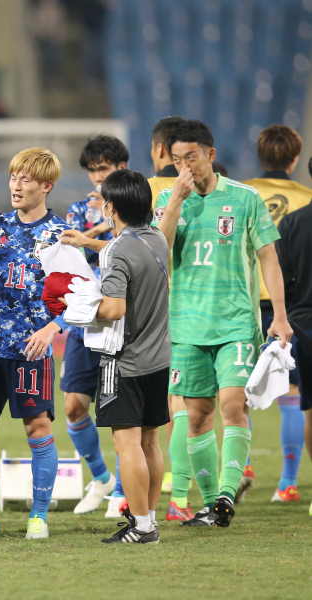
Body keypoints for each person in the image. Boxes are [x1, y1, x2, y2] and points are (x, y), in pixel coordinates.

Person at [155, 119, 292, 527]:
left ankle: (227, 494)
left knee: (233, 406)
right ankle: (213, 503)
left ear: (210, 155)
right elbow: (159, 253)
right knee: (196, 416)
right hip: (184, 326)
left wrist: (280, 317)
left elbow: (268, 257)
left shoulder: (245, 199)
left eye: (191, 158)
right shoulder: (167, 200)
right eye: (177, 160)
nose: (185, 167)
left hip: (234, 323)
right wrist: (176, 202)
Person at [0, 148, 68, 539]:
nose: (16, 185)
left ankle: (39, 515)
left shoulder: (60, 235)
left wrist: (51, 328)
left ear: (47, 186)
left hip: (32, 350)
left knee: (38, 428)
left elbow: (82, 296)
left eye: (26, 179)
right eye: (14, 177)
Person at [89, 169, 170, 544]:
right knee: (150, 441)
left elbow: (115, 309)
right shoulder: (157, 239)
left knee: (127, 443)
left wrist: (81, 310)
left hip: (124, 360)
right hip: (159, 357)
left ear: (112, 206)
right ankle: (149, 518)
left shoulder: (118, 250)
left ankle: (140, 525)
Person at [243, 125, 311, 503]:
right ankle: (286, 483)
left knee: (239, 386)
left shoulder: (242, 194)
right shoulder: (305, 199)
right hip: (290, 307)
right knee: (293, 392)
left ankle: (244, 464)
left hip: (247, 302)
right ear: (295, 158)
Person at [61, 136, 125, 516]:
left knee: (120, 411)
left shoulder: (137, 206)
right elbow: (71, 255)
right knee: (72, 406)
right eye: (94, 169)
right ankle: (102, 478)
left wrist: (96, 233)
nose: (99, 176)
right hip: (84, 319)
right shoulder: (76, 210)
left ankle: (123, 491)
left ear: (121, 167)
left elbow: (136, 247)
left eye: (106, 168)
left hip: (122, 318)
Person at [147, 115, 196, 522]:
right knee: (193, 404)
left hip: (150, 311)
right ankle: (182, 491)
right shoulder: (207, 193)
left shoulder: (145, 191)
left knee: (160, 404)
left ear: (160, 150)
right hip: (197, 307)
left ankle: (170, 490)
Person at [274, 157, 312, 516]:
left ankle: (295, 483)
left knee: (308, 406)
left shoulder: (292, 223)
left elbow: (280, 280)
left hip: (304, 322)